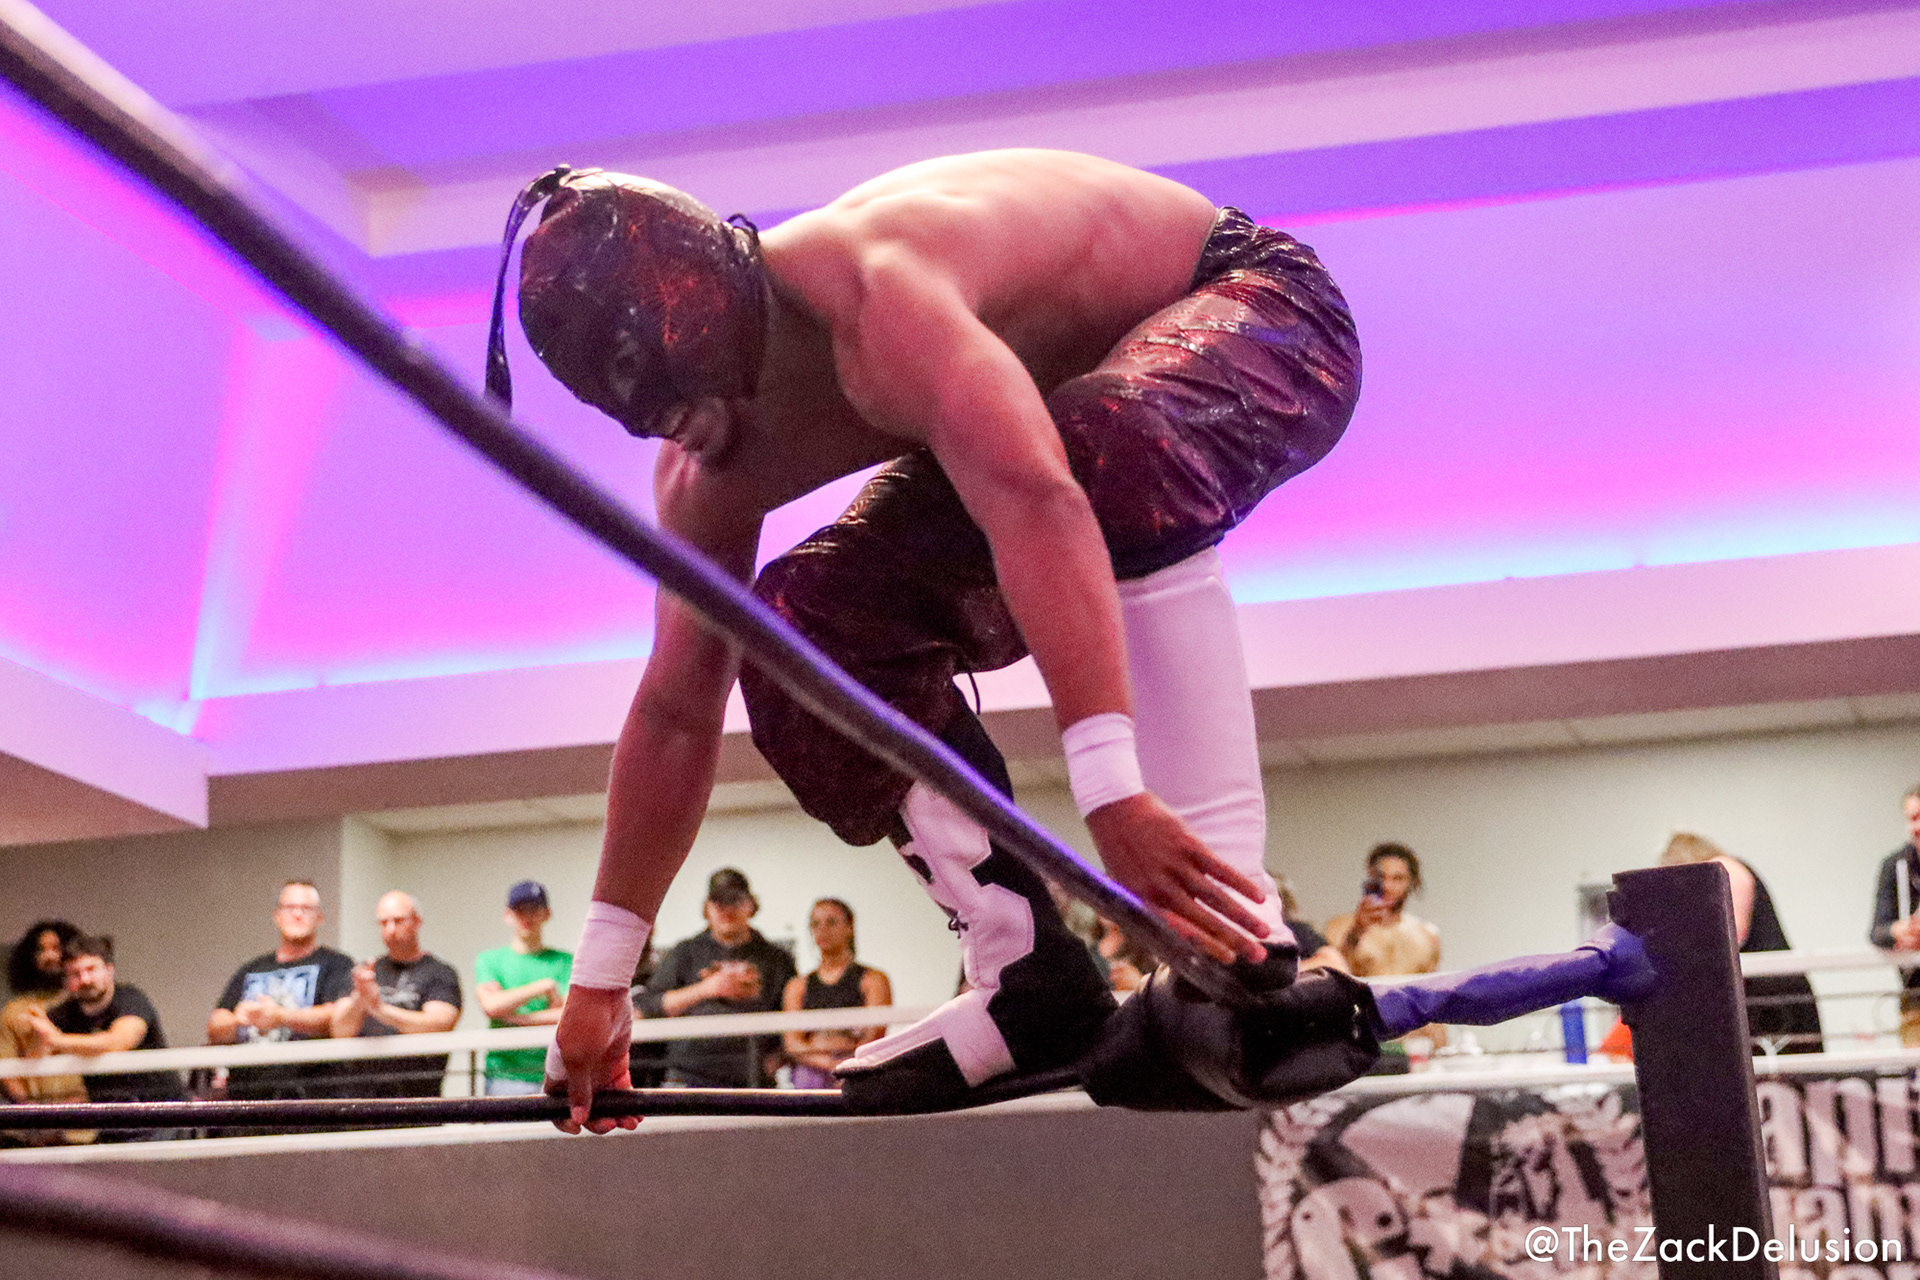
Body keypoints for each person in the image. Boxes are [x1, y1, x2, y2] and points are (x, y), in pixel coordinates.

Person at [493, 149, 1361, 1126]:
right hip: (1060, 429)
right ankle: (1025, 973)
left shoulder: (880, 295)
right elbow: (676, 710)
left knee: (1099, 438)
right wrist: (602, 978)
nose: (711, 440)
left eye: (713, 400)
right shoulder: (704, 471)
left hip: (1261, 312)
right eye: (669, 421)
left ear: (744, 320)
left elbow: (1038, 499)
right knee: (805, 619)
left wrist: (1112, 789)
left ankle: (1235, 928)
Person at [1660, 832, 1821, 1054]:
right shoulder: (1723, 872)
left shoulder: (1725, 868)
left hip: (1771, 993)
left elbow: (1732, 934)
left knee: (1785, 1067)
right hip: (1764, 991)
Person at [639, 869, 797, 1088]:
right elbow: (649, 1006)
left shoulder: (777, 960)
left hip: (753, 1079)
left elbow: (795, 1016)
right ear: (707, 908)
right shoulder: (685, 953)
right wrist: (706, 989)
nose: (727, 910)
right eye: (719, 902)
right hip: (687, 1076)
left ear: (750, 905)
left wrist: (777, 1059)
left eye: (735, 901)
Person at [24, 935, 185, 1141]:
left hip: (163, 1116)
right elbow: (34, 1055)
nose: (85, 980)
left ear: (109, 970)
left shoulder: (131, 999)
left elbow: (119, 1041)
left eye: (91, 969)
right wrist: (35, 1028)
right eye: (75, 973)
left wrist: (58, 1040)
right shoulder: (65, 1013)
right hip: (111, 1123)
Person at [208, 880, 356, 1101]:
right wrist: (239, 1020)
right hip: (248, 1095)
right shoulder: (252, 969)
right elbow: (216, 1026)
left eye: (306, 908)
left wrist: (279, 1017)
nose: (297, 914)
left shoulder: (337, 965)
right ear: (277, 916)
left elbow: (337, 1019)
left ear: (319, 917)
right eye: (289, 907)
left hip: (309, 1095)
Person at [330, 891, 463, 1096]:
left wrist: (380, 1009)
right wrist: (360, 999)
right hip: (362, 1094)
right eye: (383, 923)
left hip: (417, 1093)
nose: (391, 930)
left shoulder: (440, 972)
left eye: (398, 921)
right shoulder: (365, 972)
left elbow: (439, 1023)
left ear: (417, 921)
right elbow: (339, 1030)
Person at [474, 880, 572, 1096]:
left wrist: (518, 1019)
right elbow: (491, 1005)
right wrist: (543, 987)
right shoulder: (490, 960)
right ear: (508, 915)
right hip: (504, 1075)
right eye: (520, 910)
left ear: (546, 914)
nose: (527, 917)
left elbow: (570, 1014)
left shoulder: (566, 961)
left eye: (534, 909)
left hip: (556, 1072)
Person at [782, 898, 892, 1088]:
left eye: (831, 922)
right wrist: (828, 1063)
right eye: (816, 924)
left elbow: (874, 1036)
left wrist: (847, 1063)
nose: (822, 929)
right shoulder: (798, 986)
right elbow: (792, 1043)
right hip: (812, 1071)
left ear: (849, 928)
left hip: (858, 1068)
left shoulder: (873, 980)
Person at [2, 919, 91, 1146]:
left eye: (56, 948)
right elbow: (6, 1070)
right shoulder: (13, 1012)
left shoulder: (88, 1004)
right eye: (41, 950)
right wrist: (33, 1114)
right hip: (34, 1131)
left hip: (87, 1126)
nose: (50, 956)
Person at [1324, 844, 1442, 979]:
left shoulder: (1427, 935)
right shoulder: (1339, 927)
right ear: (1371, 878)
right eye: (1380, 877)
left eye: (1397, 878)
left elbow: (1431, 986)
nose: (1387, 886)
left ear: (1412, 882)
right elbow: (1332, 976)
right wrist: (1357, 931)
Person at [1869, 783, 1920, 1046]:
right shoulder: (1895, 865)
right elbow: (1877, 932)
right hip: (1915, 994)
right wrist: (1902, 930)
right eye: (1912, 818)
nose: (1916, 827)